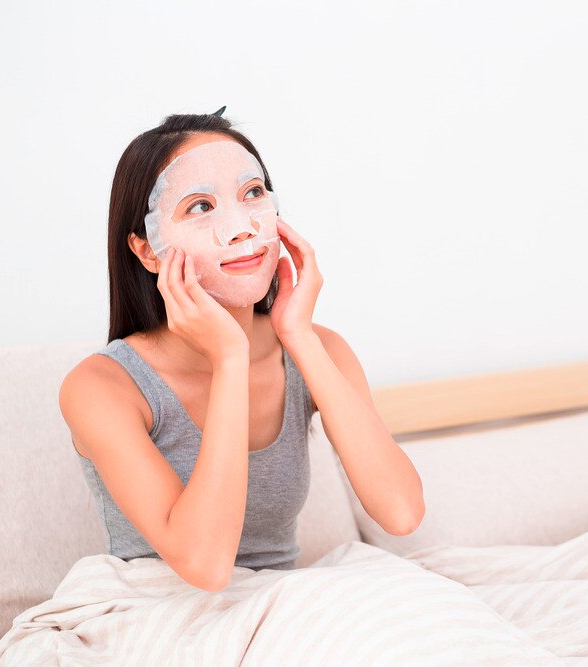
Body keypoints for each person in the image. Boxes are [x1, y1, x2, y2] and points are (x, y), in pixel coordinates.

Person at [58, 109, 424, 592]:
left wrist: (299, 337)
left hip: (281, 604)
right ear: (147, 250)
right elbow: (207, 568)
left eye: (252, 193)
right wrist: (230, 359)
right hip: (158, 610)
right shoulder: (101, 387)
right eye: (199, 206)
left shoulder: (319, 349)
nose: (240, 228)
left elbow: (401, 513)